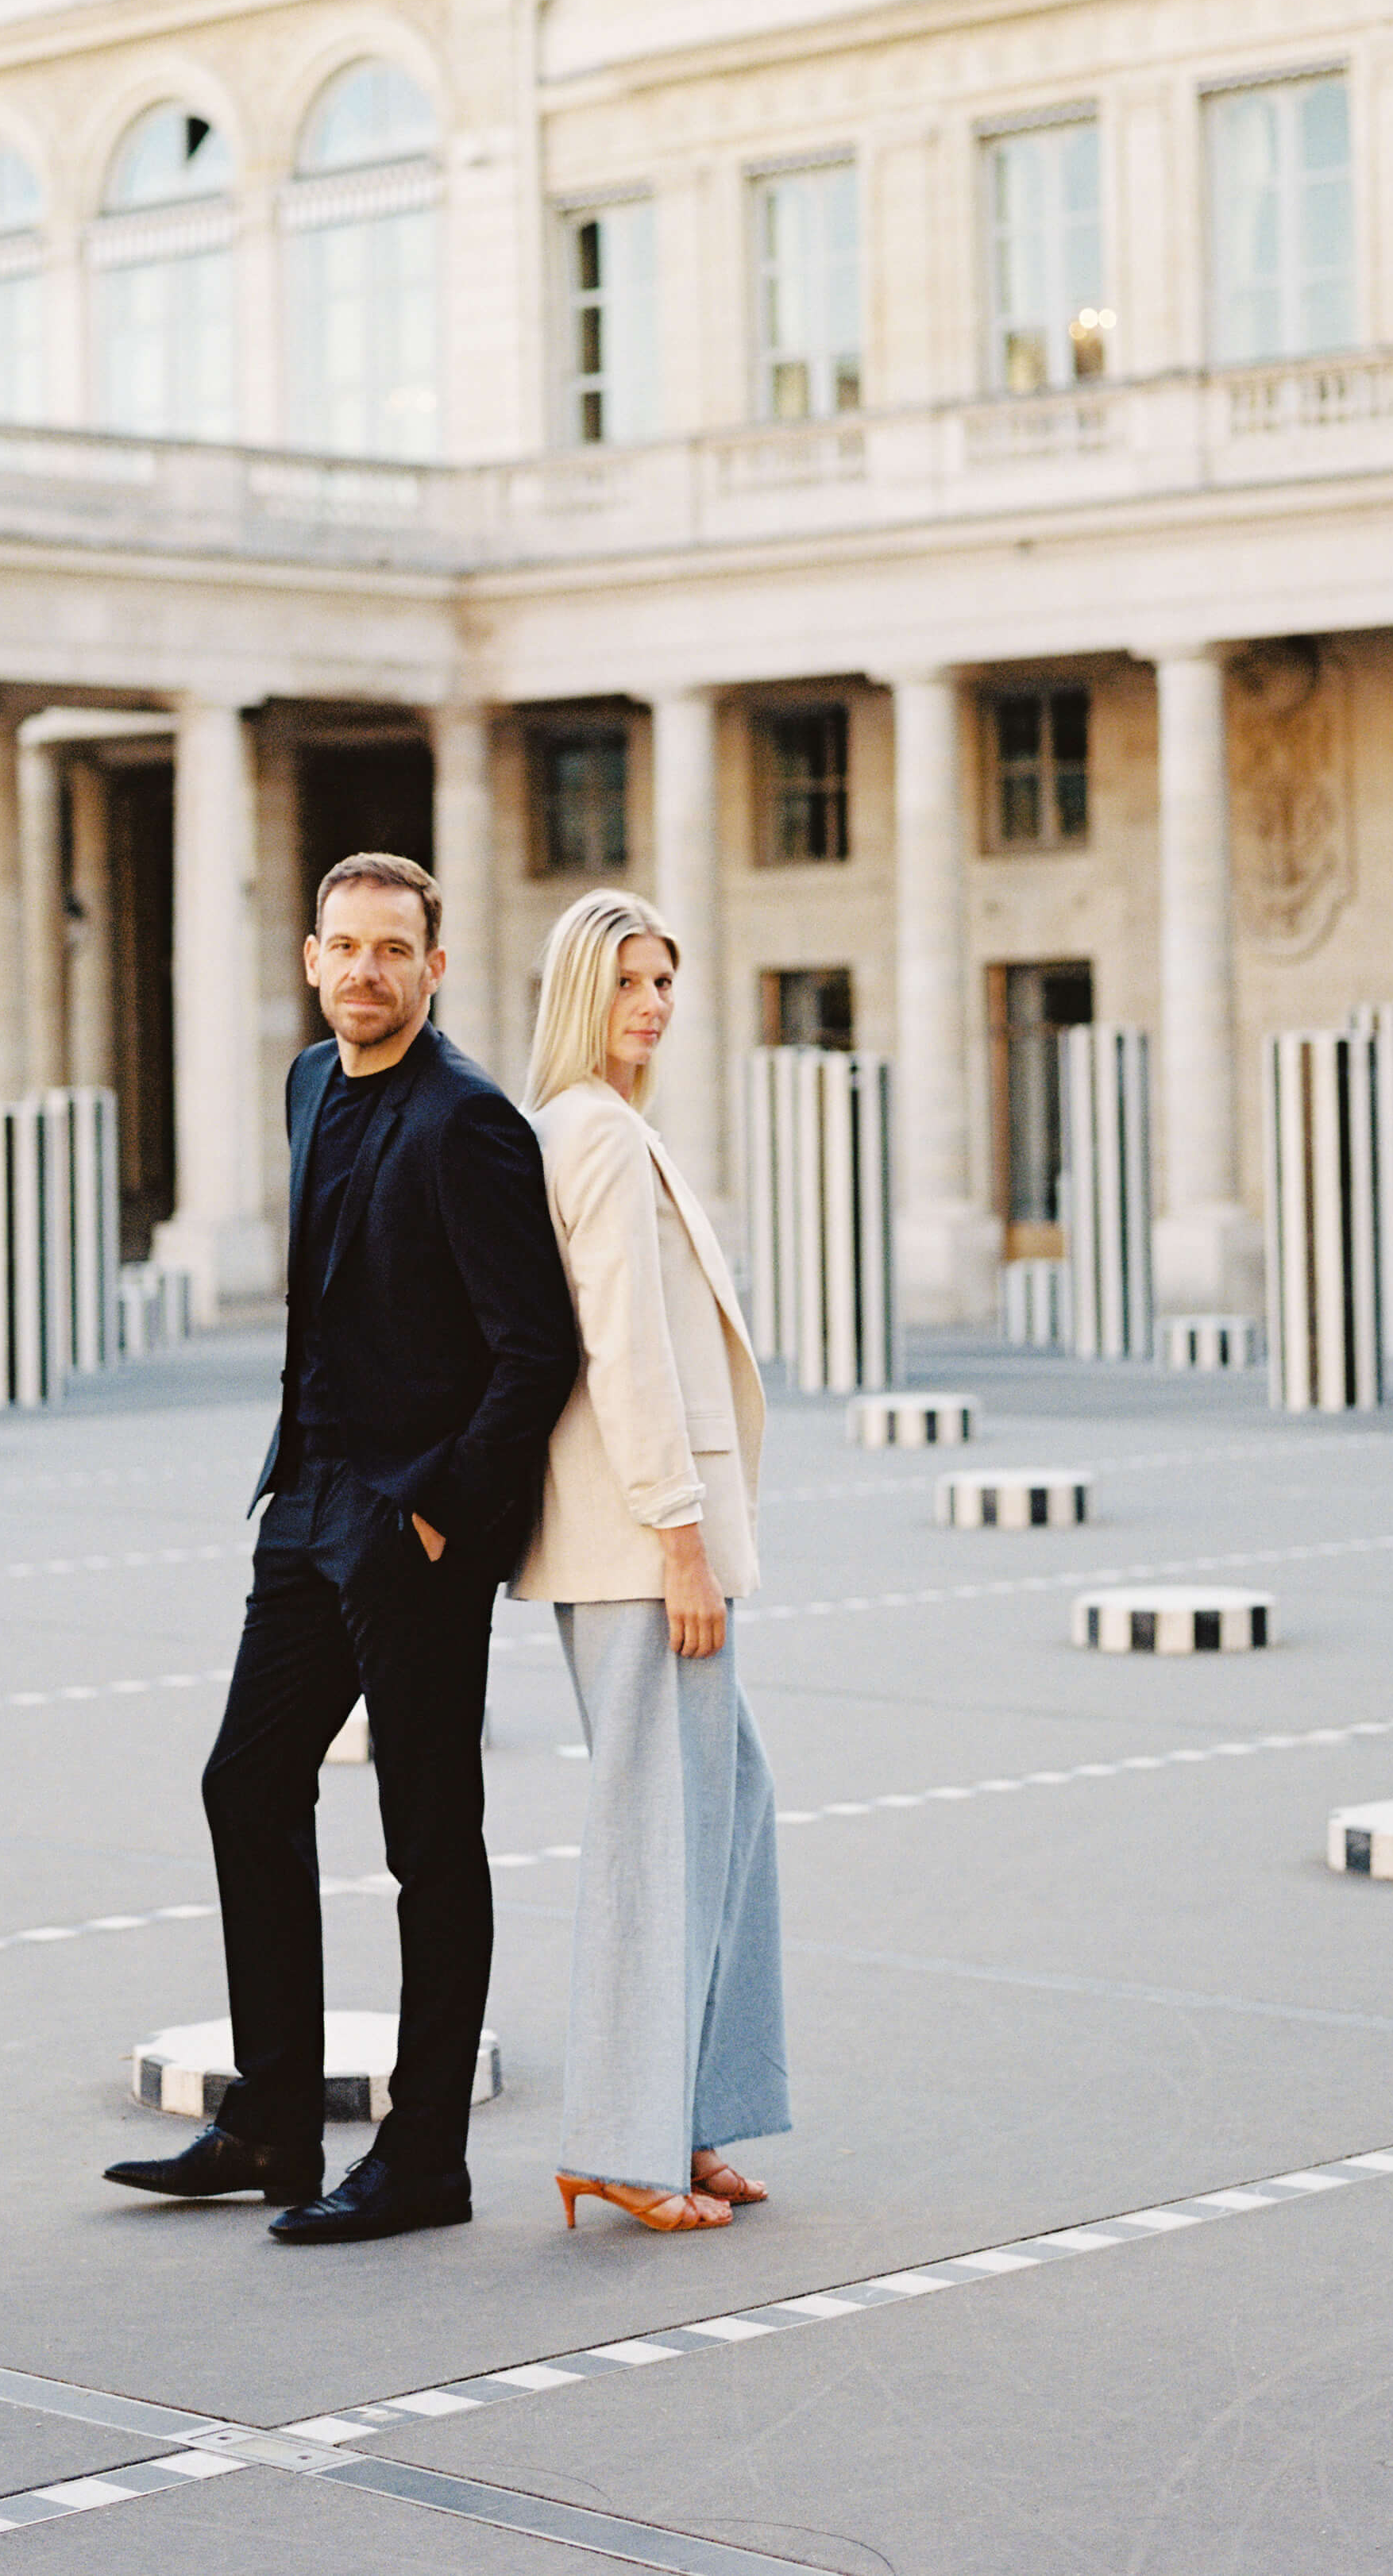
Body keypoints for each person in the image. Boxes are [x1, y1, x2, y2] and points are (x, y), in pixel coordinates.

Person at [106, 850, 580, 2246]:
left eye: (394, 950)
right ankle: (269, 2123)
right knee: (246, 1785)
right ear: (311, 959)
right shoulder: (313, 1083)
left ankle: (424, 2158)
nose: (366, 971)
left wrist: (435, 1516)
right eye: (345, 947)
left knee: (430, 1844)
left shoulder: (473, 1121)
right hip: (305, 1506)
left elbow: (534, 1350)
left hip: (410, 1534)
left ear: (436, 970)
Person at [514, 885, 789, 2235]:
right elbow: (626, 1351)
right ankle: (625, 2143)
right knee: (654, 1836)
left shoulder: (604, 1127)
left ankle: (682, 2117)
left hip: (656, 1540)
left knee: (724, 1814)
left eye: (667, 980)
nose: (655, 1004)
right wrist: (680, 1539)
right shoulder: (597, 1137)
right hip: (640, 1546)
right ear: (581, 992)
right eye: (630, 981)